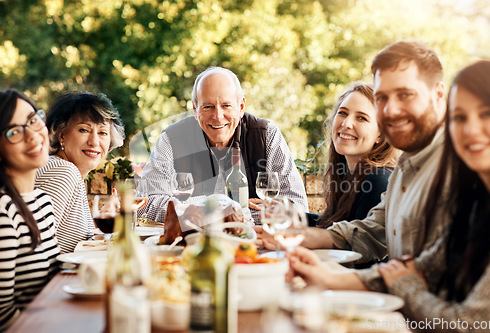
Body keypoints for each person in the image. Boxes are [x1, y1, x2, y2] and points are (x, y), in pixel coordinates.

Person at [285, 40, 448, 291]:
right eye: (383, 97)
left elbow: (428, 278)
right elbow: (372, 231)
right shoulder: (407, 165)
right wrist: (303, 237)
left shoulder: (456, 165)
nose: (390, 110)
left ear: (437, 94)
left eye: (405, 94)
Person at [377, 60, 490, 332]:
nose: (470, 130)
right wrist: (323, 274)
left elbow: (473, 325)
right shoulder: (475, 205)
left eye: (488, 113)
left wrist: (407, 288)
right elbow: (418, 267)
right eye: (459, 117)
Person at [138, 66, 308, 224]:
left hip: (254, 247)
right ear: (195, 109)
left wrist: (191, 210)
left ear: (241, 107)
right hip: (188, 246)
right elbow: (145, 206)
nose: (218, 116)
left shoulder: (266, 135)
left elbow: (298, 207)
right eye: (208, 106)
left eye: (226, 105)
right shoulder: (171, 139)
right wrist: (221, 205)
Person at [35, 92, 125, 253]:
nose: (94, 142)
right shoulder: (63, 172)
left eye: (103, 132)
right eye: (84, 130)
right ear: (61, 134)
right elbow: (38, 245)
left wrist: (99, 221)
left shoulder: (68, 170)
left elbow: (65, 238)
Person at [0, 89, 60, 329]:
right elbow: (2, 315)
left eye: (33, 120)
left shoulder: (41, 200)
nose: (33, 136)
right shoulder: (3, 211)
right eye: (14, 131)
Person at [307, 82, 399, 229]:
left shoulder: (378, 181)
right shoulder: (349, 173)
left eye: (361, 118)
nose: (346, 124)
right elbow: (335, 227)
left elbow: (353, 244)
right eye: (343, 113)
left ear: (381, 135)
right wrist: (288, 215)